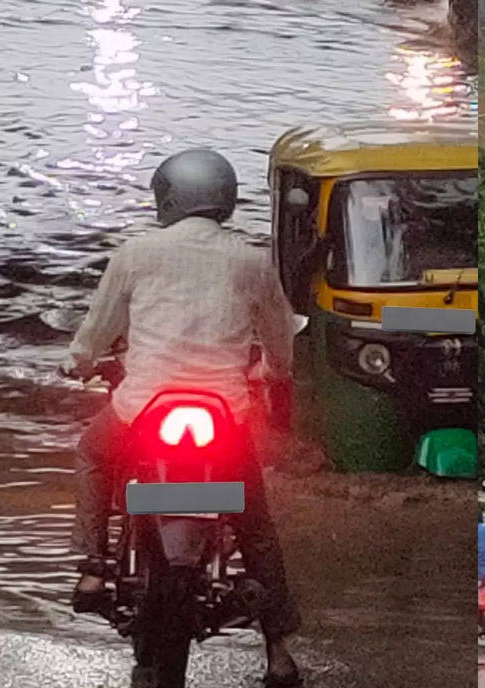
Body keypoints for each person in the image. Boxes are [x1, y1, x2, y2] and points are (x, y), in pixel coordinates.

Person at [61, 148, 304, 686]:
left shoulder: (137, 252)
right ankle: (279, 651)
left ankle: (92, 566)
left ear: (167, 198)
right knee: (255, 523)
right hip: (224, 413)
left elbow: (100, 326)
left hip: (143, 406)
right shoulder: (250, 260)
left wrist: (78, 361)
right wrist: (274, 373)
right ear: (225, 199)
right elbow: (279, 337)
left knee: (93, 455)